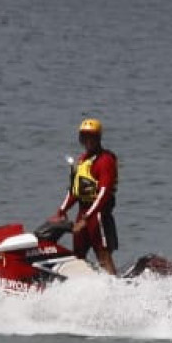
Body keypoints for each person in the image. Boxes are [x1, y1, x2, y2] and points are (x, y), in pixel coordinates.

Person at [46, 117, 119, 275]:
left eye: (92, 136)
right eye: (84, 137)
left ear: (98, 138)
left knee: (103, 257)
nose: (88, 140)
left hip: (99, 215)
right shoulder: (82, 161)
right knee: (78, 257)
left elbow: (103, 194)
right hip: (83, 214)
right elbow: (74, 191)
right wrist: (61, 211)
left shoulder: (105, 160)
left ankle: (117, 289)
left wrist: (86, 219)